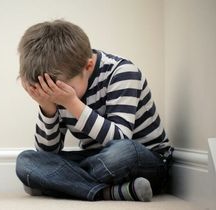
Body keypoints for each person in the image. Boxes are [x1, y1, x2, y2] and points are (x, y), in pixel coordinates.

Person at [15, 19, 173, 202]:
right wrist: (47, 108)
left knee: (123, 153)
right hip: (98, 160)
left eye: (59, 91)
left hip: (144, 158)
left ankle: (60, 184)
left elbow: (120, 138)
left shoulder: (122, 72)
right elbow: (48, 153)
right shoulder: (58, 91)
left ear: (88, 66)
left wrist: (71, 103)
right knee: (26, 162)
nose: (54, 96)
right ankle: (111, 192)